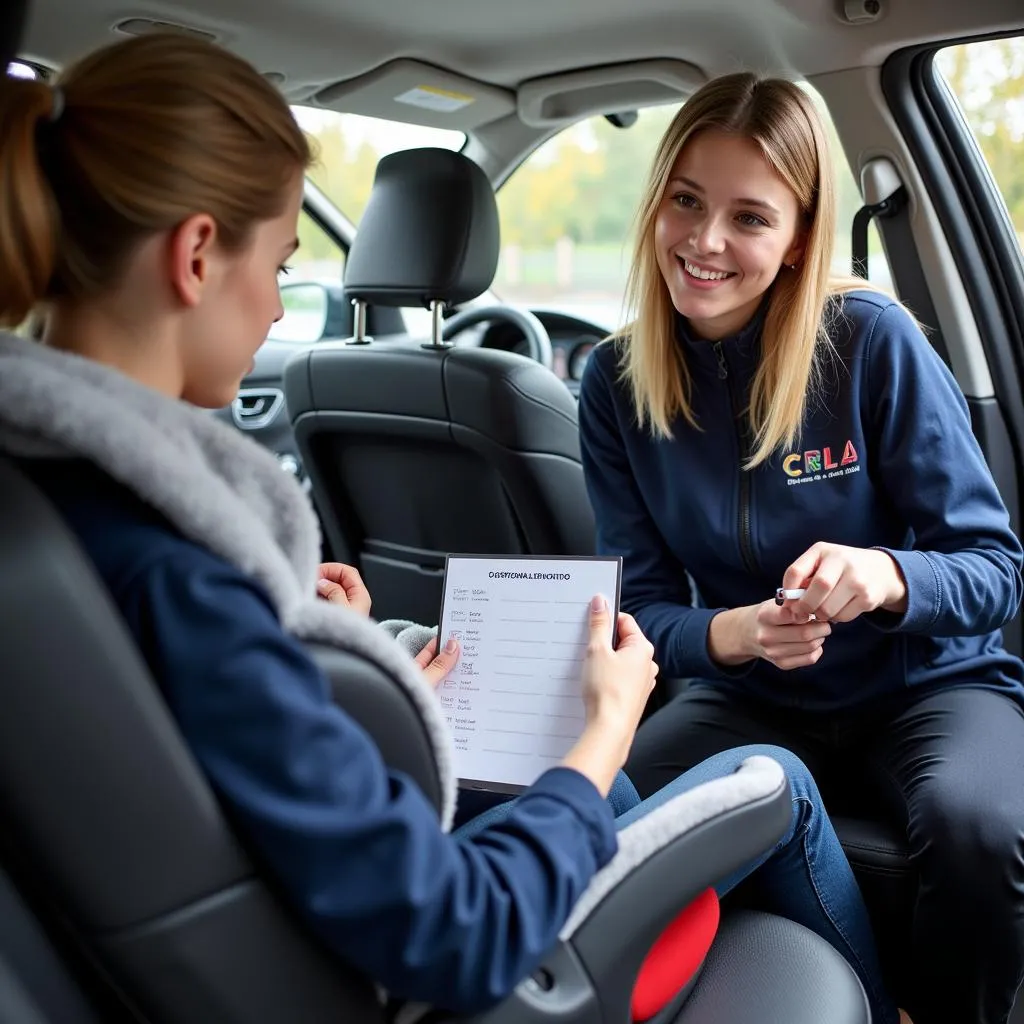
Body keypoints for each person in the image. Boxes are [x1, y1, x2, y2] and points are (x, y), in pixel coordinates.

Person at [0, 37, 898, 1022]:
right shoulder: (184, 577)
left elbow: (215, 769)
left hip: (281, 931)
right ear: (198, 254)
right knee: (773, 781)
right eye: (282, 265)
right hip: (461, 968)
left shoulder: (52, 510)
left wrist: (356, 681)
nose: (277, 310)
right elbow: (458, 931)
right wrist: (599, 732)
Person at [577, 70, 1024, 1024]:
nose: (704, 242)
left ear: (796, 240)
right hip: (751, 693)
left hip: (929, 684)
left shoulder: (872, 341)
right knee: (610, 822)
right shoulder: (614, 384)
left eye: (749, 216)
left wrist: (887, 575)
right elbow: (643, 610)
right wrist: (732, 636)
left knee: (981, 828)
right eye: (686, 202)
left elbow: (994, 567)